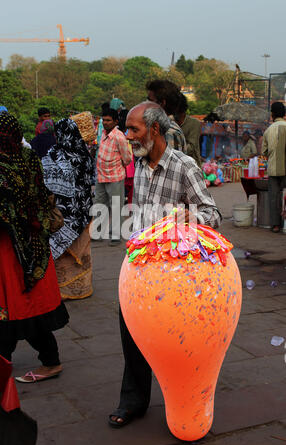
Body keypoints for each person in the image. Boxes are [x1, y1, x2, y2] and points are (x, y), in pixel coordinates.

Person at [108, 102, 222, 427]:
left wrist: (192, 217)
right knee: (131, 333)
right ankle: (133, 401)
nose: (128, 136)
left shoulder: (185, 166)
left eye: (134, 129)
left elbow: (214, 215)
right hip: (140, 267)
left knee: (177, 343)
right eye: (127, 129)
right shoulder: (141, 164)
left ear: (154, 130)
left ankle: (188, 403)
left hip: (175, 276)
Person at [0, 112, 69, 383]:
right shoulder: (27, 158)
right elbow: (39, 198)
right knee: (25, 306)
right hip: (34, 245)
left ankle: (48, 362)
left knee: (13, 307)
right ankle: (48, 361)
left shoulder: (3, 166)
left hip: (10, 249)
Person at [42, 118, 94, 299]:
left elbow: (46, 182)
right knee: (82, 249)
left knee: (63, 254)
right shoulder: (85, 154)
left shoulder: (55, 154)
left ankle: (63, 290)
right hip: (85, 211)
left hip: (63, 213)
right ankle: (83, 288)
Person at [91, 108, 132, 246]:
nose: (105, 122)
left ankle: (115, 236)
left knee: (116, 206)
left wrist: (118, 165)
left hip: (115, 176)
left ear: (115, 121)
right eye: (104, 120)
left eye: (108, 120)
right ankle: (97, 233)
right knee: (99, 204)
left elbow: (127, 158)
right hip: (101, 176)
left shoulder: (119, 136)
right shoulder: (102, 134)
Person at [262, 101, 286, 233]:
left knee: (274, 198)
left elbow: (264, 152)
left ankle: (276, 225)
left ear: (272, 114)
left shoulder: (268, 131)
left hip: (273, 169)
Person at [146, 79, 187, 153]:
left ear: (162, 103)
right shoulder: (159, 127)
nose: (145, 104)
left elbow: (168, 163)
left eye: (150, 100)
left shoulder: (168, 131)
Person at [175, 92, 202, 167]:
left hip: (191, 166)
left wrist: (172, 149)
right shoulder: (170, 123)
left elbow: (192, 147)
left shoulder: (194, 123)